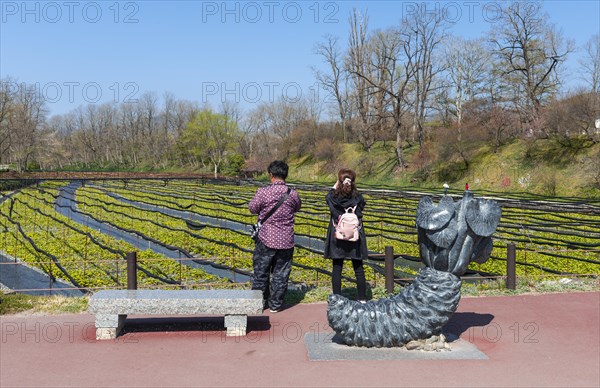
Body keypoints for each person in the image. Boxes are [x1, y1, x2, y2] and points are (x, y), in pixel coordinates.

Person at [249, 160, 301, 313]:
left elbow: (252, 208)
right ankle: (276, 305)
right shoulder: (293, 194)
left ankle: (259, 303)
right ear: (285, 175)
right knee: (281, 274)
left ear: (271, 175)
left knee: (261, 272)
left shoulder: (263, 192)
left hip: (266, 238)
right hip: (286, 240)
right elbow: (297, 207)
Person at [324, 168, 368, 302]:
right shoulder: (358, 197)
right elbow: (361, 208)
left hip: (338, 234)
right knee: (358, 268)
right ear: (353, 181)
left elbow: (328, 197)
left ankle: (337, 298)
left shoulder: (332, 197)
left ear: (339, 181)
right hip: (355, 235)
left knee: (337, 267)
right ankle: (362, 299)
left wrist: (335, 186)